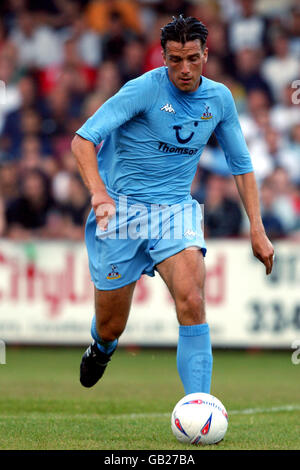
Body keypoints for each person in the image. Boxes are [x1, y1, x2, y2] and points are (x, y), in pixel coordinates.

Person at [71, 16, 274, 394]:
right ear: (163, 57)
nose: (185, 69)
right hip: (121, 212)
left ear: (206, 54)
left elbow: (242, 166)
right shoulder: (141, 90)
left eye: (193, 59)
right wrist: (99, 193)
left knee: (193, 300)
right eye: (175, 59)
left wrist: (257, 230)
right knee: (111, 324)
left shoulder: (219, 99)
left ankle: (199, 405)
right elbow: (82, 140)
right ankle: (102, 348)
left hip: (175, 212)